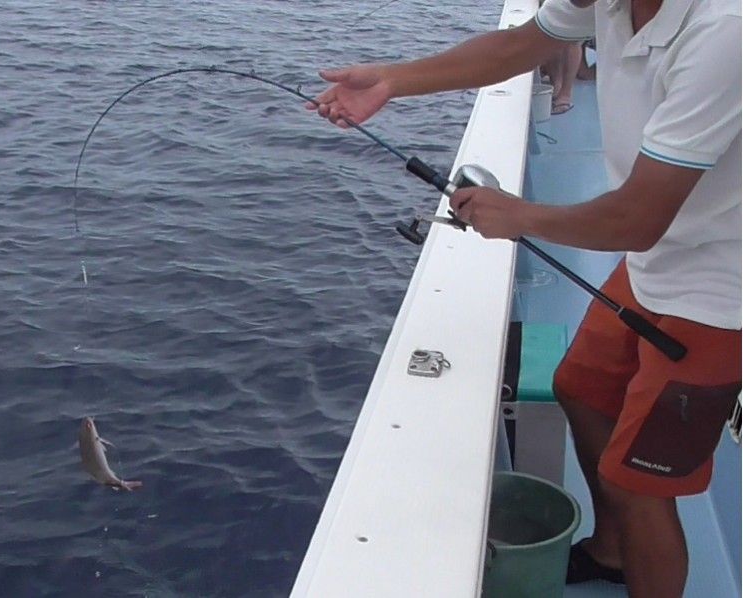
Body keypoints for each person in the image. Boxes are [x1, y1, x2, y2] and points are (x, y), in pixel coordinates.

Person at [307, 1, 741, 597]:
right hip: (657, 260)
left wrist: (520, 216)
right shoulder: (607, 2)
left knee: (644, 486)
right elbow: (514, 48)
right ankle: (614, 551)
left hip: (721, 287)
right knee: (581, 388)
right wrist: (392, 80)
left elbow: (638, 217)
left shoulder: (725, 31)